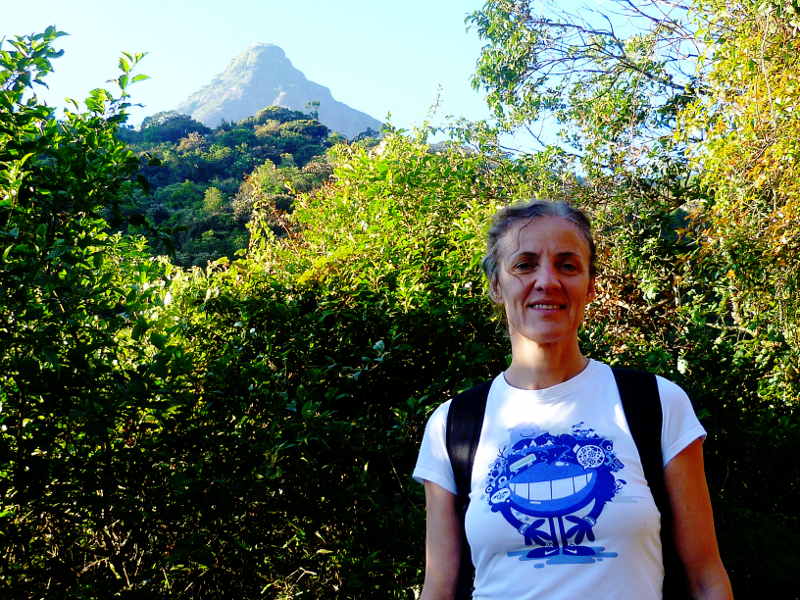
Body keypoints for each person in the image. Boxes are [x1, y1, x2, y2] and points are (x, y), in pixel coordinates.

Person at [412, 200, 733, 600]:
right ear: (497, 285)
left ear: (590, 285)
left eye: (567, 265)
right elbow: (438, 589)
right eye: (525, 265)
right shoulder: (453, 425)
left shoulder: (655, 403)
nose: (547, 281)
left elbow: (706, 580)